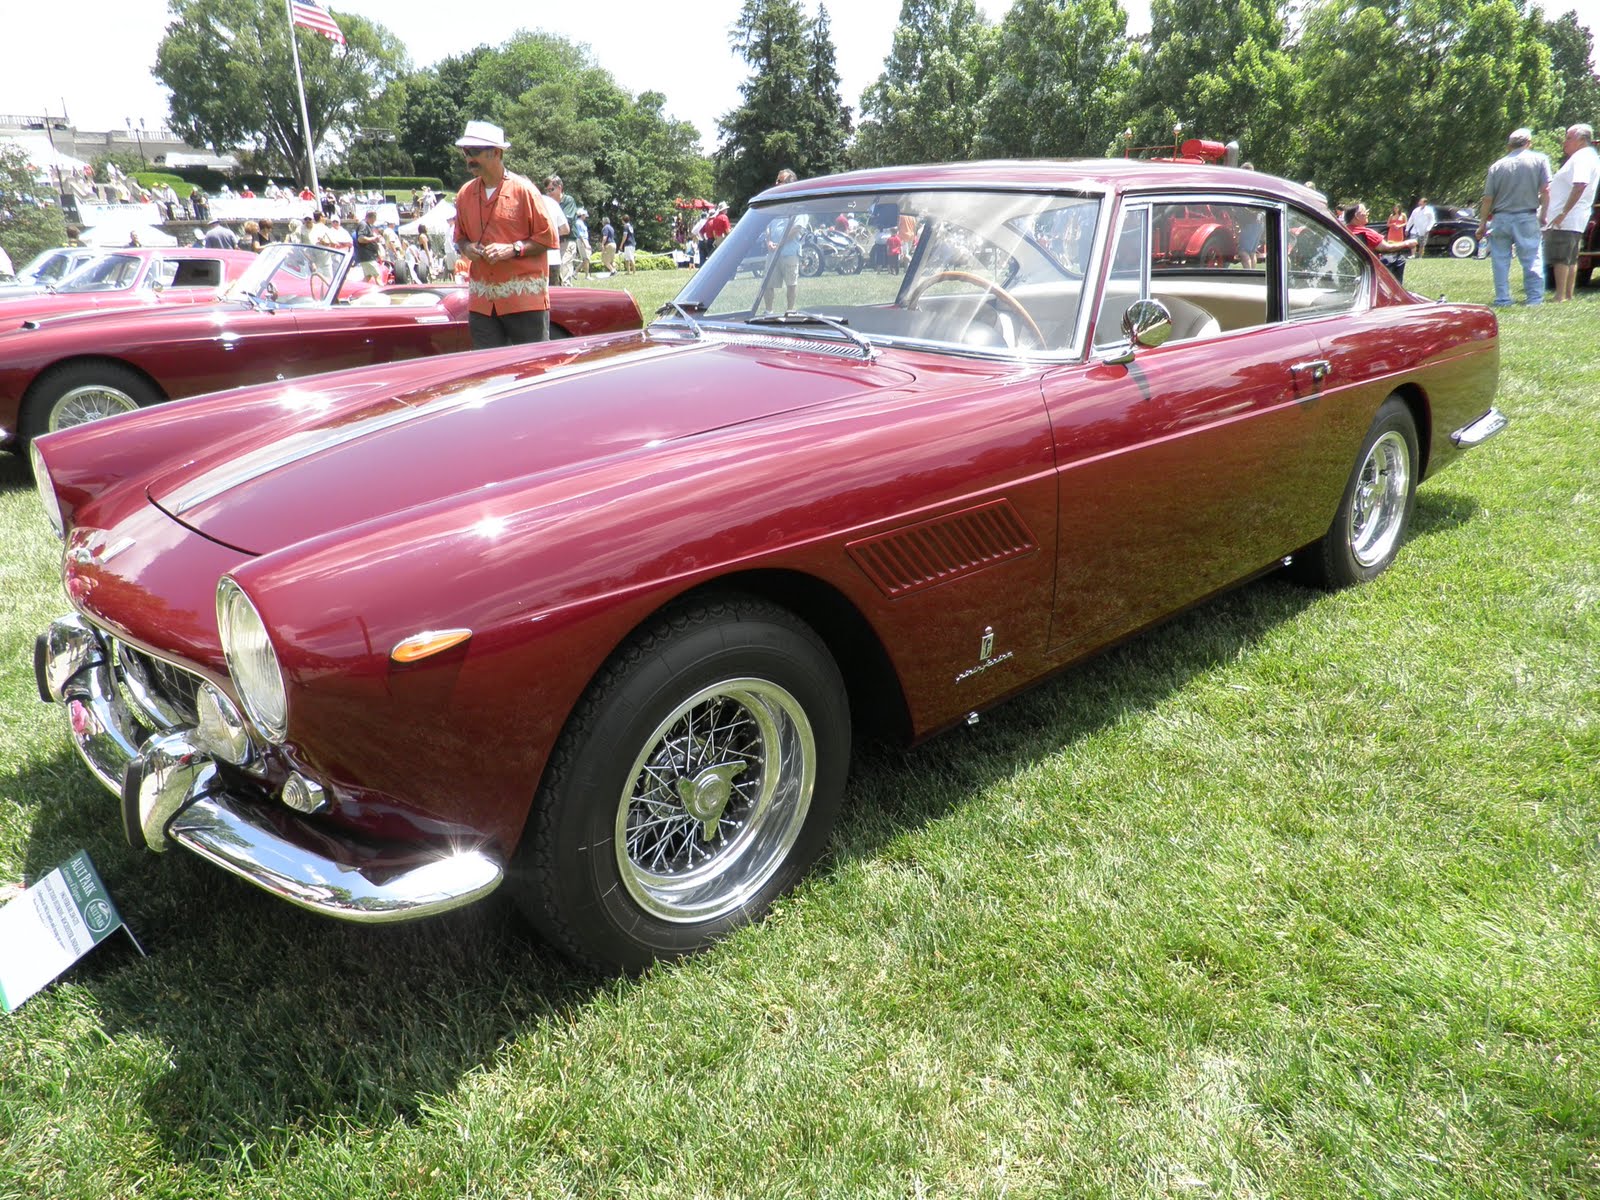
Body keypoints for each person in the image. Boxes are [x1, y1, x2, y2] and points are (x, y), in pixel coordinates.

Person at [451, 119, 559, 347]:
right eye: (465, 152)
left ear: (497, 153)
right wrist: (467, 248)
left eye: (475, 151)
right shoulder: (464, 194)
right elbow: (459, 237)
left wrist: (513, 249)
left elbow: (548, 238)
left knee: (532, 369)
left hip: (524, 300)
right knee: (488, 373)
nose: (469, 158)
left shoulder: (524, 191)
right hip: (482, 303)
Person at [1476, 127, 1551, 306]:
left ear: (1509, 146)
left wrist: (1482, 223)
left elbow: (1488, 198)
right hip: (1526, 215)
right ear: (1529, 143)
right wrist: (1544, 214)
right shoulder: (1540, 160)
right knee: (1531, 257)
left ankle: (1502, 298)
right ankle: (1534, 298)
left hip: (1500, 217)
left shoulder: (1497, 166)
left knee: (1500, 260)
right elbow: (1546, 190)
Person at [1543, 123, 1599, 303]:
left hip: (1568, 217)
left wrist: (1563, 212)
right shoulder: (1588, 157)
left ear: (1582, 140)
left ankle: (1560, 295)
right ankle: (1567, 293)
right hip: (1575, 216)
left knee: (1561, 257)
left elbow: (1580, 185)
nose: (1564, 142)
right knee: (1571, 257)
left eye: (1569, 138)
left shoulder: (1582, 158)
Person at [759, 168, 804, 311]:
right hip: (773, 253)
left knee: (791, 284)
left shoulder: (798, 204)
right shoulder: (774, 203)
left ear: (790, 183)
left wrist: (780, 243)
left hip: (790, 252)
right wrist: (769, 241)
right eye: (776, 180)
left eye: (779, 181)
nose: (776, 183)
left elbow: (797, 227)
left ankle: (790, 311)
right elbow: (767, 224)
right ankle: (768, 312)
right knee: (768, 283)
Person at [1342, 203, 1417, 284]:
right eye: (1365, 211)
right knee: (1399, 259)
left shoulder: (1344, 231)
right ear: (1356, 216)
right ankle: (1395, 289)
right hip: (1372, 268)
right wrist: (1407, 243)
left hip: (1354, 267)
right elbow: (1387, 248)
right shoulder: (1366, 232)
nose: (1367, 213)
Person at [546, 175, 579, 285]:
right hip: (555, 243)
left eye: (551, 189)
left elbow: (566, 226)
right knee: (554, 278)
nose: (549, 193)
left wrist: (549, 232)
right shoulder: (548, 204)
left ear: (559, 188)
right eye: (547, 191)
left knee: (565, 274)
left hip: (567, 242)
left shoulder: (568, 201)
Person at [354, 210, 383, 281]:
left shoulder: (367, 225)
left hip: (368, 256)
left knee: (368, 276)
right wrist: (374, 238)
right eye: (375, 218)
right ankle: (383, 291)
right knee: (378, 276)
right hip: (367, 256)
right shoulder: (363, 225)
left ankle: (358, 290)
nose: (375, 221)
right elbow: (360, 239)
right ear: (372, 217)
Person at [573, 209, 591, 278]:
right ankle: (587, 275)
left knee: (586, 259)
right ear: (581, 215)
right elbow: (580, 234)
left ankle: (575, 272)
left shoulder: (582, 223)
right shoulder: (578, 223)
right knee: (586, 258)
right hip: (582, 240)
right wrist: (585, 244)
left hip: (585, 240)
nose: (585, 217)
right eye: (584, 215)